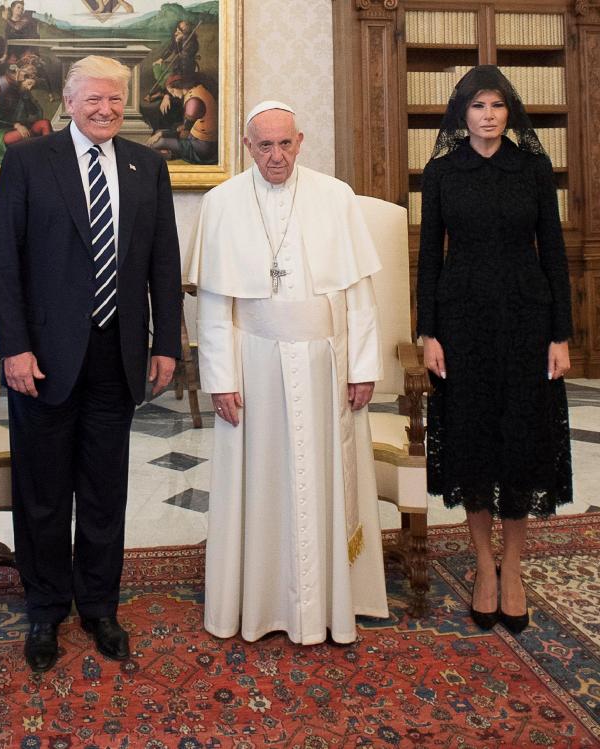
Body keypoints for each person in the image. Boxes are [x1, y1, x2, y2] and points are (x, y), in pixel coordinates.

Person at [0, 55, 181, 672]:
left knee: (105, 490)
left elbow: (163, 267)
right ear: (67, 102)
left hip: (117, 355)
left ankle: (99, 605)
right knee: (42, 492)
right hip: (41, 358)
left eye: (115, 102)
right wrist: (13, 346)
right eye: (92, 100)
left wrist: (166, 344)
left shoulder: (146, 165)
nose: (104, 111)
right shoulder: (27, 162)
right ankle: (45, 608)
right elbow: (5, 264)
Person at [186, 100, 389, 645]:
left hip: (327, 364)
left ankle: (331, 601)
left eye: (285, 144)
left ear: (301, 141)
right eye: (264, 145)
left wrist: (363, 366)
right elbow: (214, 304)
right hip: (253, 365)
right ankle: (259, 601)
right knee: (261, 480)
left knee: (325, 477)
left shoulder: (335, 196)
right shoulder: (222, 202)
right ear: (247, 147)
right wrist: (221, 379)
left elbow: (358, 296)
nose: (276, 156)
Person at [417, 65, 572, 634]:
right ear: (462, 112)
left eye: (498, 106)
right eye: (478, 106)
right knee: (473, 442)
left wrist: (561, 335)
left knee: (521, 443)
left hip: (527, 322)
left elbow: (553, 253)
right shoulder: (440, 172)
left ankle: (515, 569)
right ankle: (484, 565)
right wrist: (429, 333)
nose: (488, 115)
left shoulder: (533, 168)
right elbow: (429, 257)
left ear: (510, 113)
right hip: (461, 324)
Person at [146, 74, 218, 164]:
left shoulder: (193, 102)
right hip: (199, 140)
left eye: (172, 91)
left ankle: (172, 154)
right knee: (158, 135)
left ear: (179, 86)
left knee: (157, 143)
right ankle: (172, 153)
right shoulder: (197, 90)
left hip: (202, 146)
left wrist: (162, 134)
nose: (173, 95)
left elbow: (184, 134)